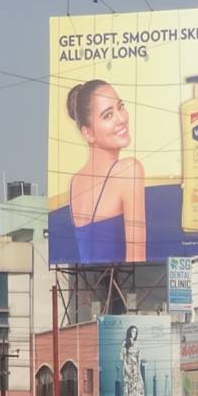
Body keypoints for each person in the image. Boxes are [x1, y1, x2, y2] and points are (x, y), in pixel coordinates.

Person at [66, 79, 147, 263]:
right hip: (121, 288)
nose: (121, 119)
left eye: (121, 107)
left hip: (89, 288)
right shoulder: (128, 171)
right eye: (108, 115)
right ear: (88, 133)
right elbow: (137, 261)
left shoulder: (74, 182)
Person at [121, 325, 148, 396]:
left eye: (135, 332)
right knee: (129, 388)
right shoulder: (125, 342)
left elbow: (139, 358)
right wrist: (126, 368)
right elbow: (123, 357)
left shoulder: (137, 343)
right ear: (129, 332)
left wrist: (139, 370)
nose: (134, 333)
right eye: (133, 331)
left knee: (137, 387)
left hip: (136, 368)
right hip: (128, 367)